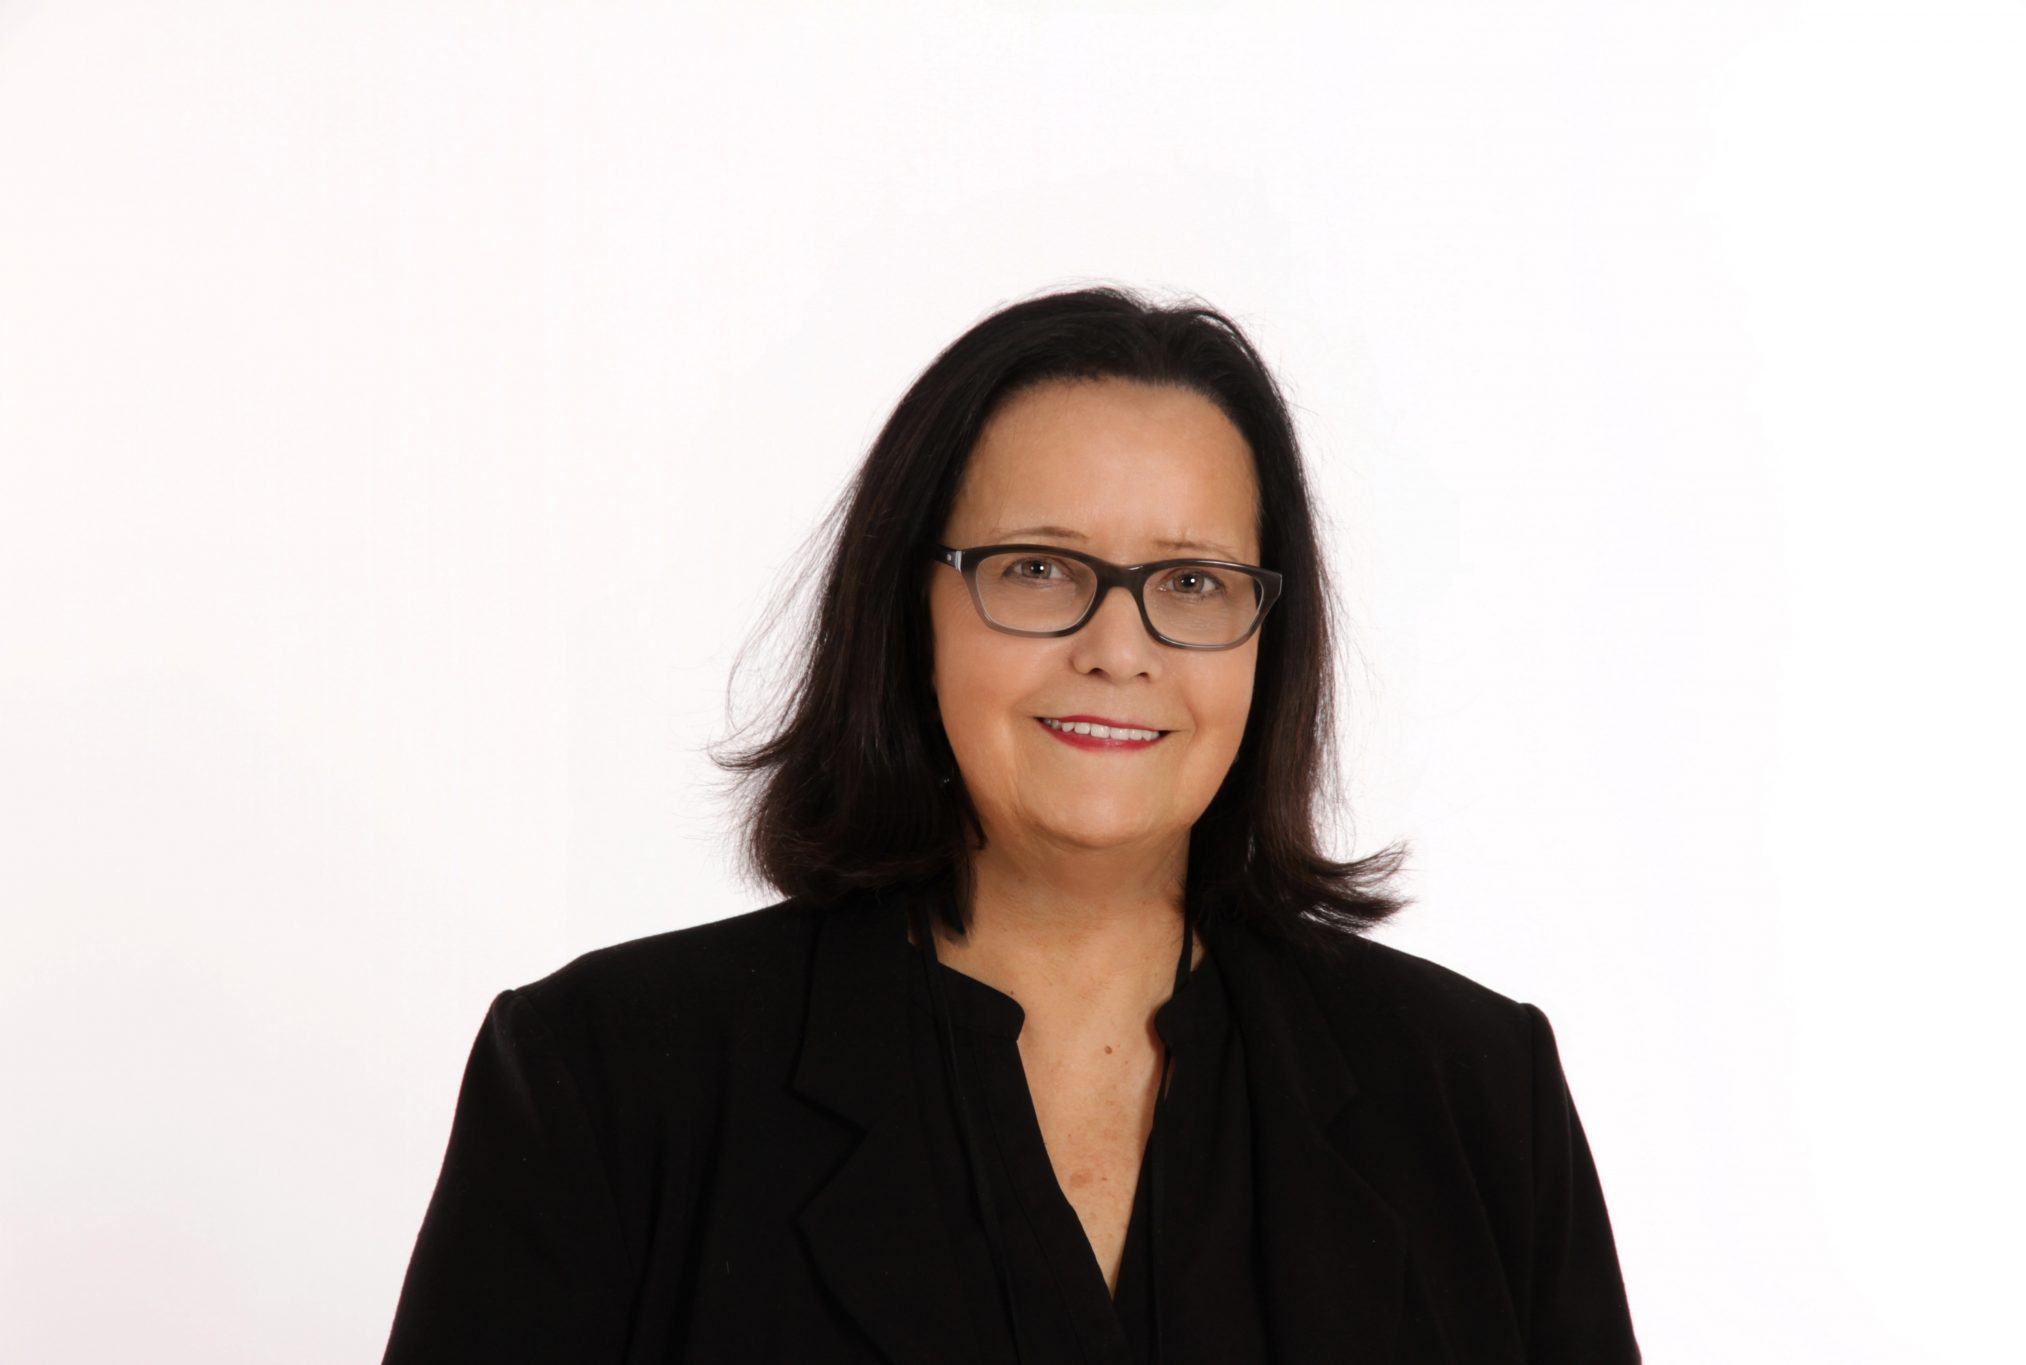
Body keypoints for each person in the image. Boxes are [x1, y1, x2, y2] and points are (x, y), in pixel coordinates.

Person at [379, 285, 1641, 1363]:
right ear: (909, 610)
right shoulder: (607, 1082)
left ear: (1268, 639)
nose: (1118, 649)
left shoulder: (1476, 1096)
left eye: (1192, 582)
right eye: (1037, 568)